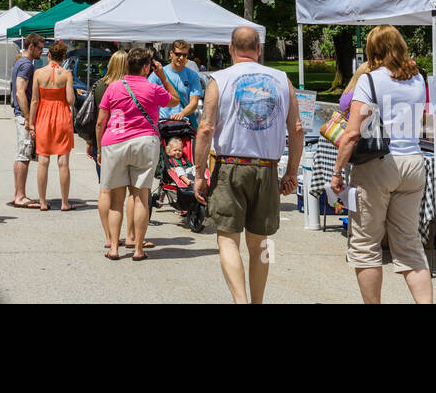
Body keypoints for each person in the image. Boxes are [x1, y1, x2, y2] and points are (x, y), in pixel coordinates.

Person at [193, 27, 302, 303]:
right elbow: (297, 129)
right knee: (261, 243)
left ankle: (240, 301)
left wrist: (199, 173)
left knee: (228, 239)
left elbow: (205, 127)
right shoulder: (281, 79)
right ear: (259, 49)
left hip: (230, 165)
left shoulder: (219, 79)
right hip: (267, 167)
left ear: (230, 49)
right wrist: (292, 172)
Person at [330, 24, 432, 304]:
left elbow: (352, 132)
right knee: (410, 246)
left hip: (378, 164)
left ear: (372, 50)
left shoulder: (370, 80)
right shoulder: (418, 79)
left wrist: (337, 171)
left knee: (365, 245)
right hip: (413, 161)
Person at [97, 48, 179, 261]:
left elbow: (100, 121)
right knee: (141, 196)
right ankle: (138, 249)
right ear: (145, 67)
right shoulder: (152, 88)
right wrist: (162, 75)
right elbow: (175, 100)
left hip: (114, 141)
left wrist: (99, 148)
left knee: (116, 199)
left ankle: (114, 248)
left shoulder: (113, 87)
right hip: (144, 142)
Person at [28, 41, 76, 210]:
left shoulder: (39, 73)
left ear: (48, 55)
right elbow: (70, 100)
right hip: (62, 116)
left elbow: (34, 100)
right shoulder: (67, 74)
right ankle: (64, 202)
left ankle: (42, 202)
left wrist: (30, 123)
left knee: (43, 161)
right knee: (63, 162)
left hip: (43, 117)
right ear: (63, 57)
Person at [87, 51, 127, 249]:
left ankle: (109, 236)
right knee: (123, 193)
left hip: (102, 140)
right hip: (124, 139)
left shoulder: (99, 85)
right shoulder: (128, 86)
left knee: (104, 189)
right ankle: (127, 235)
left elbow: (96, 118)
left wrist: (93, 143)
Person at [10, 33, 45, 208]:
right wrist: (27, 117)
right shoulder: (26, 65)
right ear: (31, 46)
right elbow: (20, 91)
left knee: (21, 154)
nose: (42, 51)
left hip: (20, 113)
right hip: (22, 114)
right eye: (40, 47)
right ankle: (20, 196)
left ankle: (18, 193)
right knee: (24, 154)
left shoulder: (22, 63)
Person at [152, 39, 204, 127]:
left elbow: (194, 102)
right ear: (171, 54)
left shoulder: (193, 75)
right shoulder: (158, 73)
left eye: (184, 55)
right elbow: (148, 97)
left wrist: (181, 114)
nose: (181, 58)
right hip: (162, 123)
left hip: (183, 124)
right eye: (178, 54)